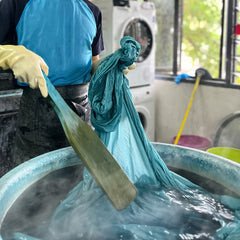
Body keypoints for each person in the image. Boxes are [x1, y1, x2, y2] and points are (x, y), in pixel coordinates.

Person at [0, 0, 104, 167]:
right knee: (35, 183)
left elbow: (92, 62)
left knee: (79, 176)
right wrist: (10, 55)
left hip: (82, 112)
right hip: (37, 114)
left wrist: (105, 68)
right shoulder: (16, 4)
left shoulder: (93, 11)